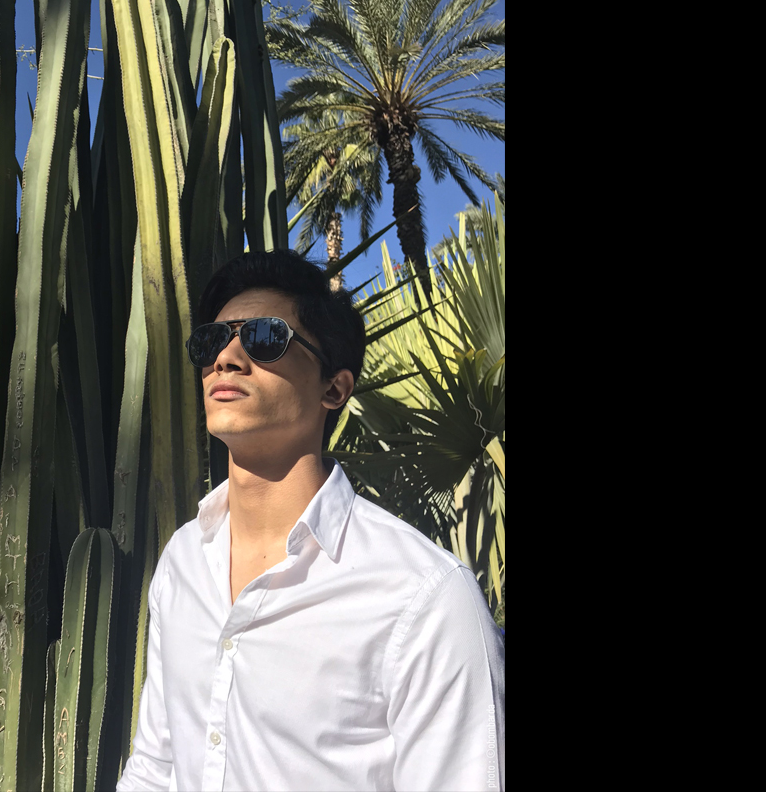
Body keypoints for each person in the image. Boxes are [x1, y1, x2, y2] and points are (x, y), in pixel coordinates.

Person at [113, 250, 505, 791]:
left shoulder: (423, 597)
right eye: (212, 340)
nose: (226, 357)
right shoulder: (183, 560)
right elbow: (156, 766)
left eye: (264, 337)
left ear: (333, 389)